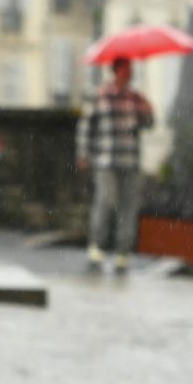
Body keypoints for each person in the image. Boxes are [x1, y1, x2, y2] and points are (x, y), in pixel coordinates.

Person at [76, 56, 155, 272]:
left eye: (130, 69)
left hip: (130, 160)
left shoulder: (136, 98)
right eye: (125, 69)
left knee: (128, 207)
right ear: (116, 71)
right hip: (106, 160)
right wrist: (83, 153)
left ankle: (122, 252)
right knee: (105, 202)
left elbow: (148, 124)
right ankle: (97, 247)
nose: (128, 73)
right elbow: (86, 126)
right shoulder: (101, 95)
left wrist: (148, 110)